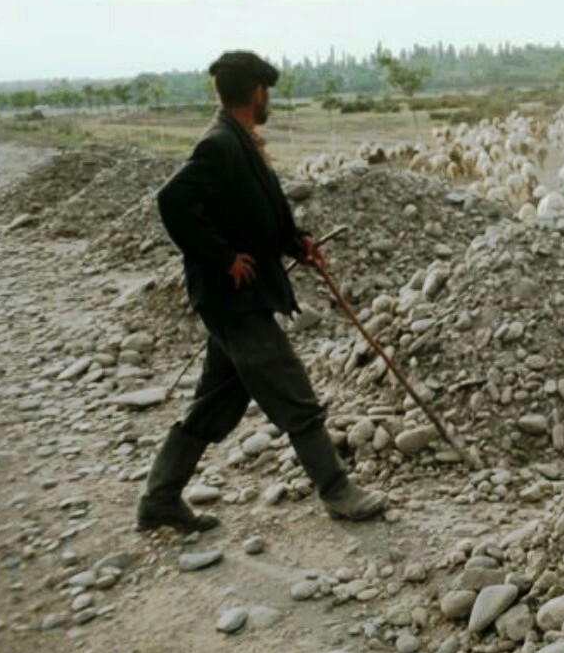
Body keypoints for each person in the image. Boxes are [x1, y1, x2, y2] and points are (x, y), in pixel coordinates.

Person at [137, 50, 385, 532]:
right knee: (294, 394)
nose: (268, 99)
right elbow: (173, 200)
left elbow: (256, 214)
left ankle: (159, 500)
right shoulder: (220, 146)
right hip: (235, 302)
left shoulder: (239, 142)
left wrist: (296, 242)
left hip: (237, 301)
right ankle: (336, 489)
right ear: (257, 93)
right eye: (267, 92)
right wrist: (222, 257)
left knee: (214, 404)